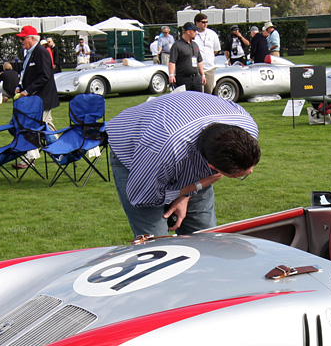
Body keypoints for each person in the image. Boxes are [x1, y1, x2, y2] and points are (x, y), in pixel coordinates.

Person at [106, 92, 260, 237]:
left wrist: (186, 195)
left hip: (179, 133)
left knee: (206, 239)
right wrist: (185, 190)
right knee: (157, 245)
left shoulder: (248, 128)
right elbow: (143, 198)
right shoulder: (162, 151)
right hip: (133, 148)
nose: (251, 172)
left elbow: (213, 175)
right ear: (211, 166)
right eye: (239, 176)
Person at [15, 25, 58, 131]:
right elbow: (25, 73)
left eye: (23, 38)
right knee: (38, 124)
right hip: (35, 97)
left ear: (32, 38)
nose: (21, 41)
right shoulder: (29, 54)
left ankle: (56, 145)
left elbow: (44, 75)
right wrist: (20, 87)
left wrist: (28, 90)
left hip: (43, 97)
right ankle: (39, 144)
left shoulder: (41, 52)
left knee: (46, 123)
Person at [168, 22, 204, 91]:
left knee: (198, 100)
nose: (196, 33)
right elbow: (172, 61)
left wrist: (202, 75)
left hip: (196, 78)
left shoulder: (195, 45)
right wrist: (171, 75)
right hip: (183, 79)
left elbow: (199, 61)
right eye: (194, 31)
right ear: (188, 31)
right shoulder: (177, 45)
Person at [193, 12, 221, 94]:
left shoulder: (212, 34)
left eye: (206, 22)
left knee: (208, 92)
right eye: (203, 22)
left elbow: (216, 50)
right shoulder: (192, 34)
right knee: (196, 94)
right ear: (197, 23)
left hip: (209, 68)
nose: (205, 24)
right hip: (196, 69)